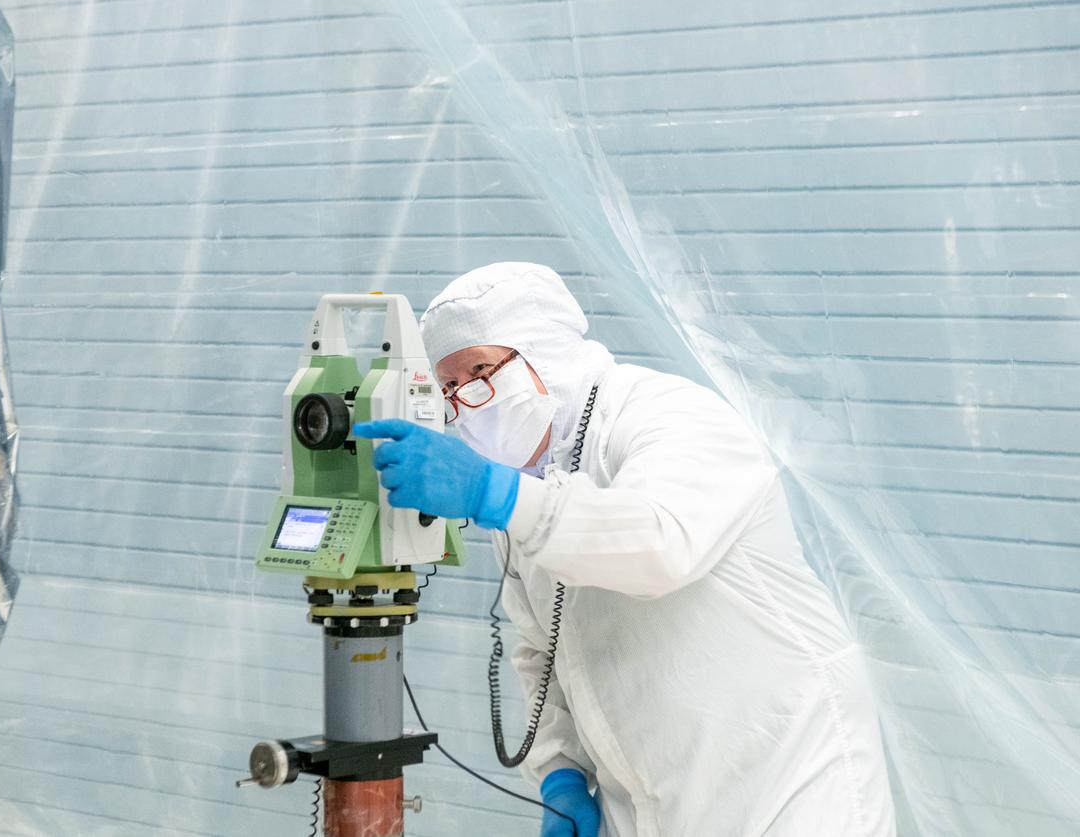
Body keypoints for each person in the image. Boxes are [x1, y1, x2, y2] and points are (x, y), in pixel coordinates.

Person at [354, 263, 896, 837]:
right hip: (648, 796)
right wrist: (559, 773)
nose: (466, 402)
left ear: (543, 349)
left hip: (785, 782)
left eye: (480, 370)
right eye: (449, 389)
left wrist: (500, 495)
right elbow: (542, 647)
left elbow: (658, 545)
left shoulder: (669, 415)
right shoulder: (523, 480)